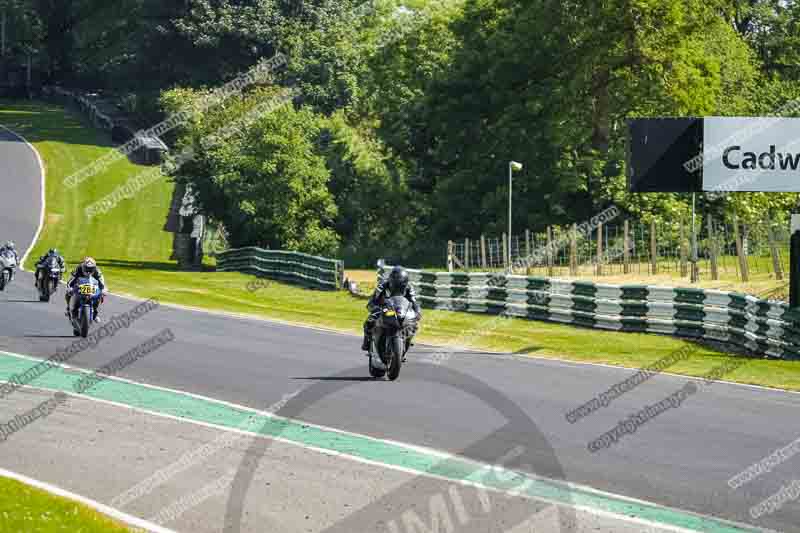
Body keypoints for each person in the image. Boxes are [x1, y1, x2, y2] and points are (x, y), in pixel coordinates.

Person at [362, 266, 421, 352]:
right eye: (396, 285)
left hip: (401, 310)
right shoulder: (382, 285)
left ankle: (408, 339)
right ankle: (366, 342)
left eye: (401, 285)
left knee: (414, 324)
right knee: (369, 321)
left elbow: (414, 302)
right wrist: (375, 307)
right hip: (384, 308)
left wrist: (417, 312)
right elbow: (373, 300)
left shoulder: (409, 288)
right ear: (391, 281)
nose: (398, 288)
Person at [65, 257, 107, 322]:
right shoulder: (78, 269)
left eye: (91, 269)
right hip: (79, 286)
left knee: (101, 295)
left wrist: (104, 289)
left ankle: (95, 314)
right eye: (87, 268)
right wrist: (69, 287)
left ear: (94, 268)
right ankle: (68, 308)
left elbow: (101, 281)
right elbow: (71, 280)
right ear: (83, 266)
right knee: (68, 293)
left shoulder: (97, 271)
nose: (88, 271)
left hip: (91, 287)